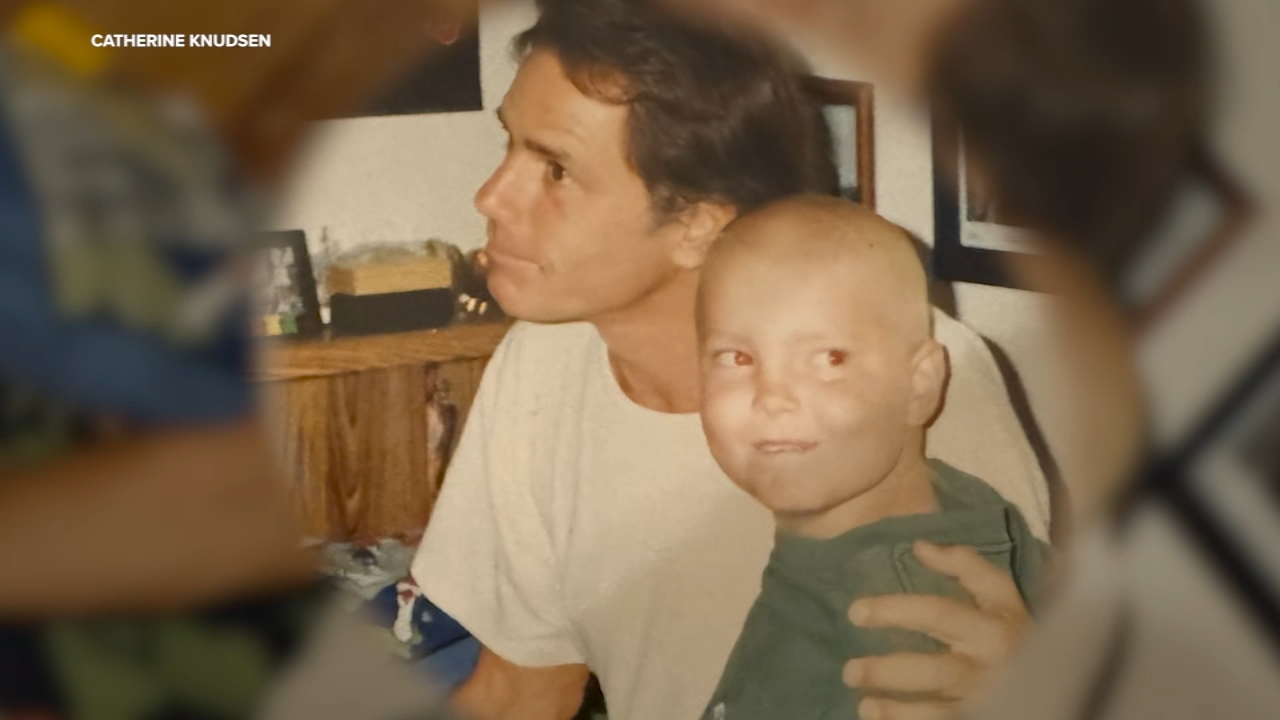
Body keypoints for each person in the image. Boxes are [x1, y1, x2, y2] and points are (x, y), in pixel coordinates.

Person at [411, 1, 1051, 718]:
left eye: (555, 169)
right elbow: (522, 690)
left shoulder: (901, 376)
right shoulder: (544, 364)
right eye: (511, 146)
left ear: (696, 225)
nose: (491, 196)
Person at [694, 195, 1050, 720]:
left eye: (830, 358)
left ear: (920, 385)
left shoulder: (888, 628)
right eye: (737, 357)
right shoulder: (959, 500)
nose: (772, 396)